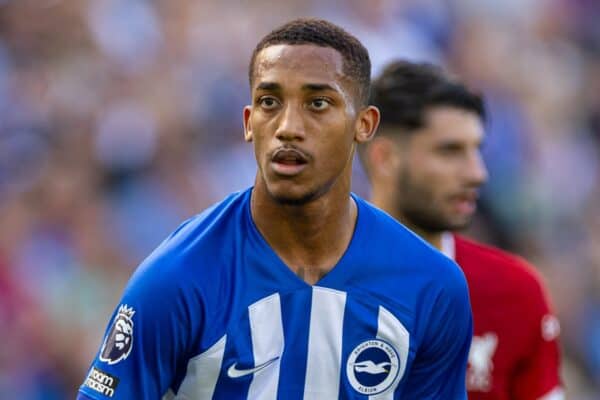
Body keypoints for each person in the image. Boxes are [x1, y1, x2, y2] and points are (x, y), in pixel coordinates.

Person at [78, 19, 472, 399]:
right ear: (249, 122)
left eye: (318, 103)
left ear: (364, 125)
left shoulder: (432, 286)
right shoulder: (179, 277)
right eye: (269, 102)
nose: (287, 126)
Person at [360, 60, 564, 400]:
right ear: (384, 158)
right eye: (450, 151)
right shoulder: (310, 286)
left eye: (476, 150)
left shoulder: (515, 291)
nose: (477, 173)